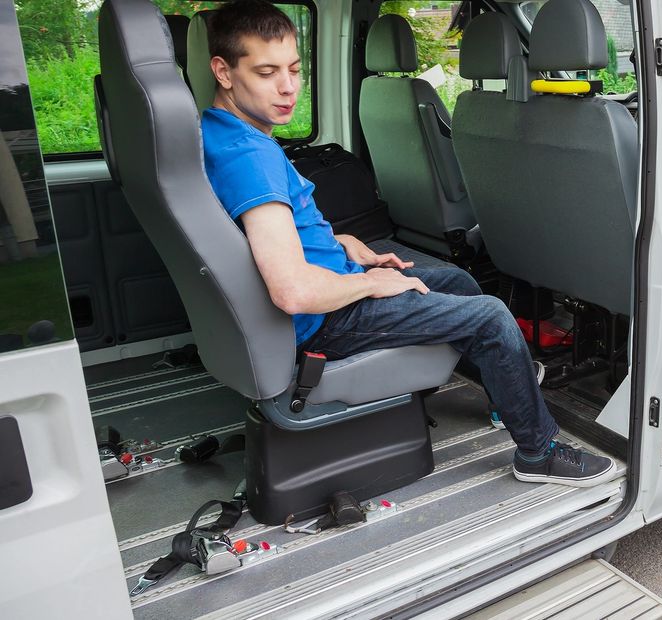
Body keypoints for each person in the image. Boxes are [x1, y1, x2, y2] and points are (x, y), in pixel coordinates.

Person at [200, 0, 615, 487]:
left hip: (332, 288)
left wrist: (341, 241)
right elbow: (293, 291)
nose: (289, 87)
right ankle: (538, 452)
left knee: (457, 279)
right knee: (491, 317)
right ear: (223, 71)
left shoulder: (219, 132)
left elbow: (262, 236)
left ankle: (509, 392)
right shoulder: (251, 158)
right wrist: (370, 285)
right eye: (266, 72)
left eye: (293, 69)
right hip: (326, 320)